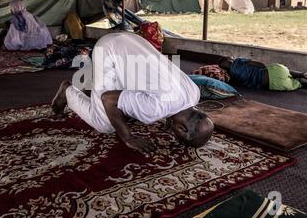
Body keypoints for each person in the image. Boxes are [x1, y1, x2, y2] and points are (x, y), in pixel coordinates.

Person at [51, 33, 214, 154]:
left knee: (130, 108)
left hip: (131, 39)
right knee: (105, 124)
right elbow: (107, 99)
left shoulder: (194, 93)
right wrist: (127, 137)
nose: (172, 134)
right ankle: (68, 92)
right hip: (108, 49)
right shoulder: (154, 109)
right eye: (176, 135)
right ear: (182, 129)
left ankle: (95, 83)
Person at [218, 57, 307, 95]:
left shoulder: (232, 77)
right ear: (230, 60)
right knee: (290, 73)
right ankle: (305, 74)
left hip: (273, 84)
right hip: (274, 72)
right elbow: (260, 64)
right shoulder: (239, 61)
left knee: (300, 85)